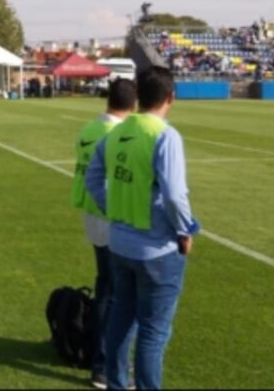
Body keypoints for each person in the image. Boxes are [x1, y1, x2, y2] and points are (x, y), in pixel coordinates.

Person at [85, 67, 200, 391]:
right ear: (171, 97)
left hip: (120, 243)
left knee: (122, 319)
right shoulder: (164, 134)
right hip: (156, 249)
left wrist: (113, 208)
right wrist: (184, 231)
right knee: (153, 330)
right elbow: (176, 194)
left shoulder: (116, 133)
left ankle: (117, 384)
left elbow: (93, 178)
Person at [72, 78, 137, 389]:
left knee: (106, 288)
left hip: (92, 215)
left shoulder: (89, 129)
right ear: (133, 104)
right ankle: (105, 364)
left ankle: (104, 360)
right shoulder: (117, 135)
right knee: (116, 295)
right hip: (111, 217)